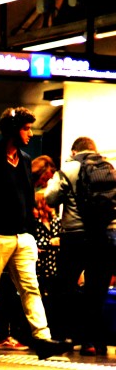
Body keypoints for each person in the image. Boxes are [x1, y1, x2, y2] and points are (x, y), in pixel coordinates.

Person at [0, 106, 70, 360]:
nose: (30, 133)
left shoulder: (23, 159)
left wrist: (30, 233)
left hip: (22, 237)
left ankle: (42, 338)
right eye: (26, 128)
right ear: (13, 130)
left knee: (30, 287)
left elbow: (27, 198)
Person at [44, 136, 116, 356]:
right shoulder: (109, 169)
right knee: (97, 291)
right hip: (105, 235)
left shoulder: (69, 168)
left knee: (65, 287)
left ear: (74, 151)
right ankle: (95, 342)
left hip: (75, 235)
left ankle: (64, 336)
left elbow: (50, 198)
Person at [31, 156, 64, 339]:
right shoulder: (35, 222)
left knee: (52, 301)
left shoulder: (56, 222)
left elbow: (61, 241)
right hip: (39, 269)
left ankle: (52, 331)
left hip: (53, 268)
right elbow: (37, 242)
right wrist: (50, 243)